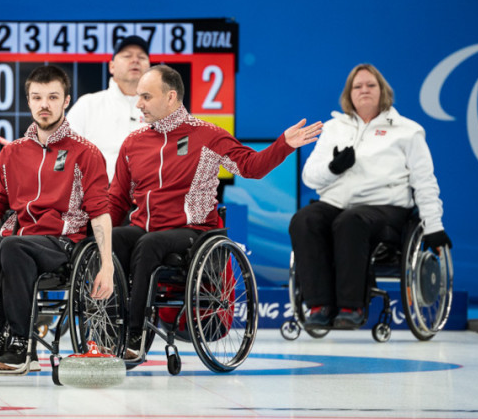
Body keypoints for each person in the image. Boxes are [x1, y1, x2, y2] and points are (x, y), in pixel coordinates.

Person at [109, 65, 322, 358]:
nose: (139, 104)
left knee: (148, 244)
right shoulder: (133, 143)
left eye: (146, 97)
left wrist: (283, 145)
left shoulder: (207, 136)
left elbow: (251, 167)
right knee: (112, 239)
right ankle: (110, 327)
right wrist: (95, 233)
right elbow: (117, 199)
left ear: (171, 97)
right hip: (144, 228)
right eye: (139, 97)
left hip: (192, 232)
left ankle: (135, 335)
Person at [0, 65, 114, 372]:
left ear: (66, 101)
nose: (44, 105)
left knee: (12, 246)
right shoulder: (12, 153)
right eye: (37, 97)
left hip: (64, 244)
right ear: (28, 101)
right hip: (19, 243)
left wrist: (106, 265)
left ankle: (20, 343)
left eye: (53, 97)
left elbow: (100, 213)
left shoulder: (85, 153)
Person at [289, 63, 451, 329]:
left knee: (351, 221)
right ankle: (319, 306)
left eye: (370, 85)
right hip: (337, 204)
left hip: (386, 210)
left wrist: (434, 226)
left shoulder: (408, 131)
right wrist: (333, 168)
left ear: (382, 91)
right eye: (357, 86)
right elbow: (310, 177)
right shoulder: (333, 128)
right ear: (349, 94)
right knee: (304, 219)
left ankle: (351, 307)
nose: (364, 90)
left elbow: (425, 181)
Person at [67, 35, 151, 181]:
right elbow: (63, 153)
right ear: (112, 66)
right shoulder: (87, 105)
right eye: (127, 56)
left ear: (149, 69)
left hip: (148, 192)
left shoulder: (163, 110)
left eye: (142, 57)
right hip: (96, 192)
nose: (135, 60)